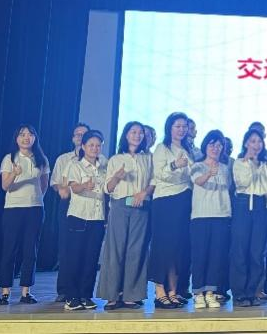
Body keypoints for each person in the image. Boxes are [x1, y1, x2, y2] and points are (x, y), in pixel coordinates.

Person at [98, 121, 153, 309]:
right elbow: (107, 188)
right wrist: (117, 177)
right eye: (133, 132)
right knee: (115, 250)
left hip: (141, 206)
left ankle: (132, 295)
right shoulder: (116, 159)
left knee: (136, 250)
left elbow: (154, 181)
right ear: (126, 135)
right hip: (120, 205)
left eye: (140, 132)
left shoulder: (148, 158)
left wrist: (144, 193)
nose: (137, 135)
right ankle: (111, 295)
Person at [0, 124, 50, 305]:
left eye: (30, 134)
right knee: (9, 249)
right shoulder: (9, 158)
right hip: (13, 208)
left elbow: (44, 184)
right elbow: (5, 186)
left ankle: (26, 292)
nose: (26, 137)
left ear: (35, 138)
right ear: (16, 138)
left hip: (35, 208)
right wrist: (14, 173)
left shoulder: (41, 159)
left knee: (30, 250)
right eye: (22, 134)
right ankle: (5, 292)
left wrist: (36, 198)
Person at [148, 112, 193, 308]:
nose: (181, 130)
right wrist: (175, 165)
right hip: (165, 201)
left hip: (184, 199)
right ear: (170, 128)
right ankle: (160, 291)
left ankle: (173, 291)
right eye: (178, 126)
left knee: (178, 247)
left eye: (184, 126)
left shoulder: (188, 149)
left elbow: (191, 175)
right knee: (163, 246)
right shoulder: (162, 148)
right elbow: (160, 174)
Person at [61, 129, 108, 311]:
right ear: (83, 146)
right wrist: (84, 185)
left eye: (98, 145)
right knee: (75, 257)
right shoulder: (75, 165)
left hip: (97, 217)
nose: (95, 148)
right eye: (91, 145)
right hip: (78, 216)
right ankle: (71, 297)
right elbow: (73, 187)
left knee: (91, 258)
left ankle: (86, 295)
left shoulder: (104, 166)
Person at [190, 130, 232, 309]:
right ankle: (198, 292)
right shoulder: (197, 165)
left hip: (221, 215)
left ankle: (210, 292)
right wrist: (209, 173)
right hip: (201, 215)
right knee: (200, 255)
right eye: (212, 144)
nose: (215, 148)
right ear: (205, 146)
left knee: (217, 256)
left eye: (219, 145)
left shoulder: (225, 167)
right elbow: (198, 181)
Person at [230, 128, 267, 307]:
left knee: (257, 251)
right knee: (240, 250)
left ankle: (253, 291)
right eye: (253, 141)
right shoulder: (239, 162)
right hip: (244, 203)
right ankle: (239, 293)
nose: (257, 145)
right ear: (246, 143)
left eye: (259, 141)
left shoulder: (265, 164)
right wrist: (250, 162)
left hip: (262, 206)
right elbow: (243, 182)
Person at [49, 121, 89, 302]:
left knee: (86, 248)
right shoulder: (63, 159)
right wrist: (61, 189)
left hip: (89, 205)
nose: (80, 137)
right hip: (68, 203)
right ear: (73, 138)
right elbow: (55, 182)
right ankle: (64, 289)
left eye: (84, 134)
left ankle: (82, 290)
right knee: (66, 246)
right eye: (77, 134)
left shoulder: (99, 159)